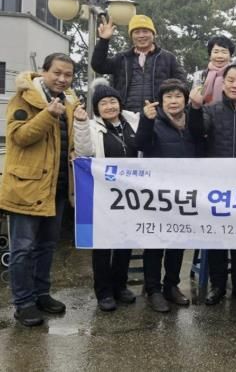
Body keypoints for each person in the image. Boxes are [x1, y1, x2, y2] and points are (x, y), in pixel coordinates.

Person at [0, 53, 79, 326]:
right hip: (27, 187)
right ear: (44, 72)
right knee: (22, 248)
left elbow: (71, 143)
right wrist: (47, 115)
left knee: (46, 246)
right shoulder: (23, 99)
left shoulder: (70, 102)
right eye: (57, 72)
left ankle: (42, 294)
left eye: (68, 75)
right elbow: (18, 137)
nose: (62, 79)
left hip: (57, 187)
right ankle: (24, 303)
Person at [189, 62, 236, 307]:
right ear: (223, 83)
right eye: (231, 80)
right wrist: (195, 108)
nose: (235, 85)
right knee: (216, 236)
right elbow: (197, 132)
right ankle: (217, 285)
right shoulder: (212, 109)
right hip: (216, 185)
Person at [73, 80, 139, 312]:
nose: (110, 106)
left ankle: (120, 286)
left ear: (120, 103)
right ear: (97, 108)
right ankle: (104, 292)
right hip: (102, 194)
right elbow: (83, 152)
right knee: (102, 244)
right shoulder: (91, 127)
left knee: (125, 241)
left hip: (131, 194)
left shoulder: (133, 122)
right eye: (103, 103)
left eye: (113, 101)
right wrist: (81, 124)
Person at [135, 79, 200, 312]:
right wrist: (146, 120)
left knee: (178, 242)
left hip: (184, 193)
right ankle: (153, 289)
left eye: (178, 96)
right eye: (168, 97)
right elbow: (140, 144)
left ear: (185, 100)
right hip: (157, 194)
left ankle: (171, 285)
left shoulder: (192, 122)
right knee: (154, 243)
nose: (173, 101)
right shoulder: (153, 120)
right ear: (161, 102)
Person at [91, 14, 187, 112]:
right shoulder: (122, 58)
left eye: (145, 31)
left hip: (158, 114)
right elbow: (98, 65)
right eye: (137, 32)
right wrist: (104, 41)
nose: (141, 35)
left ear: (153, 34)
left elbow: (181, 85)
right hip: (127, 114)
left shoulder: (168, 58)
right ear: (131, 36)